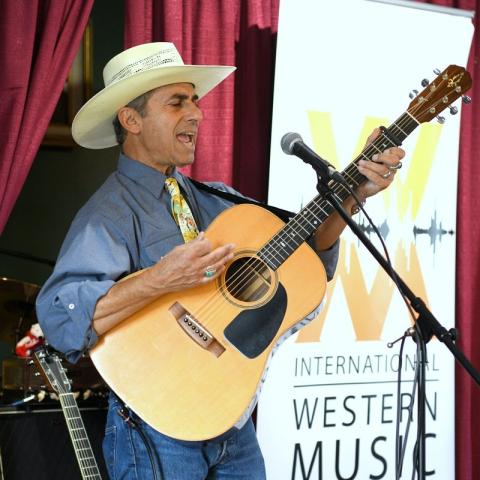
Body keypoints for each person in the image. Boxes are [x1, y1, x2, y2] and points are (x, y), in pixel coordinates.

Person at [36, 42, 405, 479]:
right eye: (177, 102)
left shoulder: (217, 200)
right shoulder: (107, 216)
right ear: (131, 119)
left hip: (229, 420)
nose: (196, 113)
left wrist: (353, 192)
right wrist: (160, 278)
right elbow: (62, 322)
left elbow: (303, 253)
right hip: (155, 429)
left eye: (194, 100)